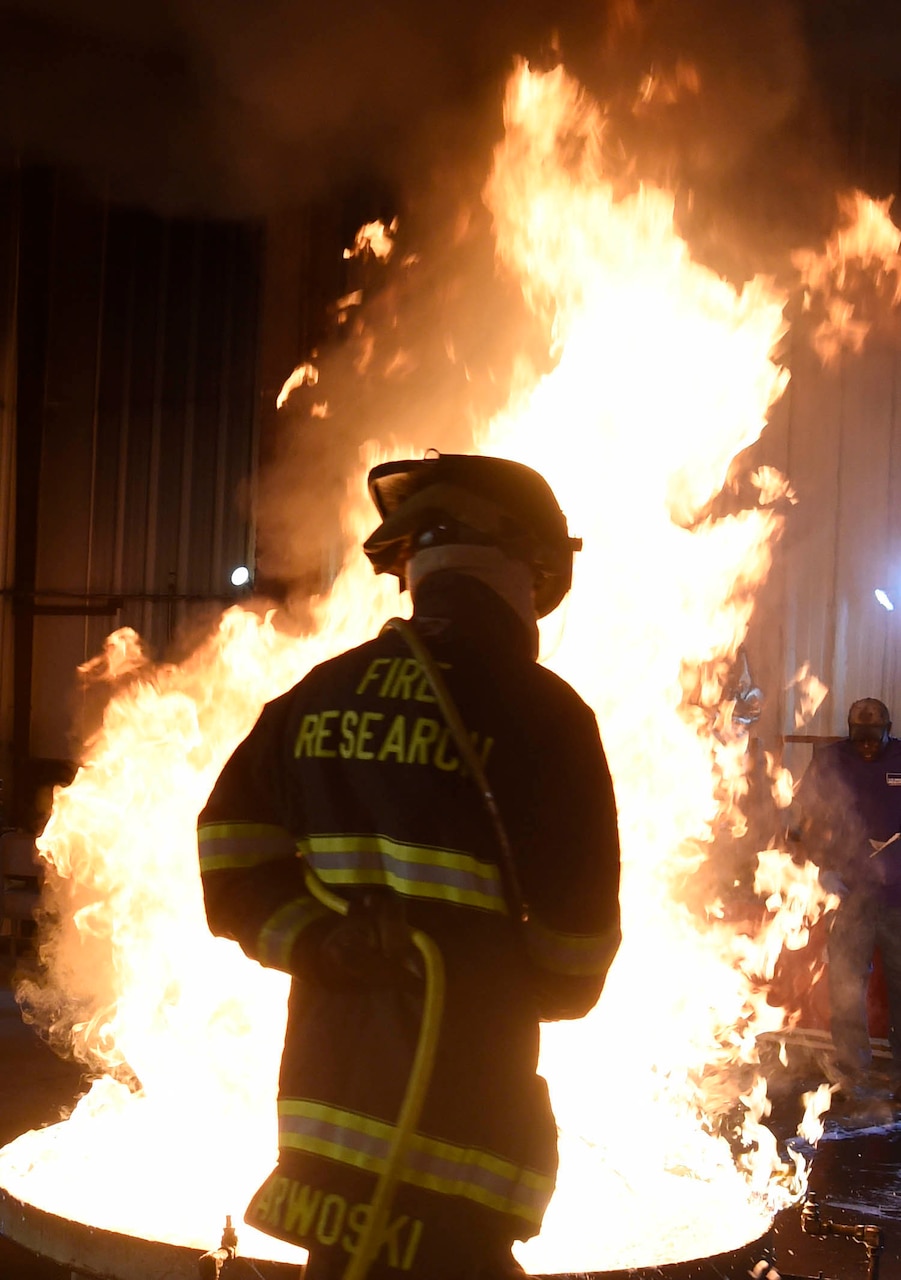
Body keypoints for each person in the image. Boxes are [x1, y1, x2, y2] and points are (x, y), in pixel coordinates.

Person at [197, 452, 622, 1280]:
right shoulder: (546, 717)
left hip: (327, 1155)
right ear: (527, 571)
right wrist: (492, 974)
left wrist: (322, 944)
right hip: (460, 1158)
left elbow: (228, 854)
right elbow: (574, 972)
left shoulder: (315, 698)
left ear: (411, 571)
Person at [792, 697, 901, 1097]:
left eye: (875, 738)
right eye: (860, 738)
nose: (868, 746)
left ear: (889, 728)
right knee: (846, 985)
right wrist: (821, 867)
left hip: (898, 898)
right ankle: (854, 1072)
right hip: (849, 894)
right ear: (849, 731)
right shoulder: (830, 760)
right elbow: (806, 821)